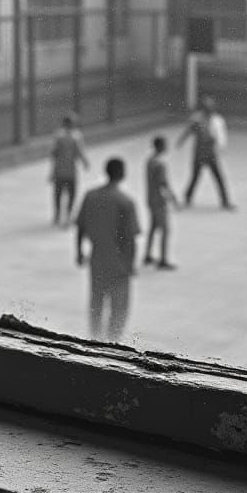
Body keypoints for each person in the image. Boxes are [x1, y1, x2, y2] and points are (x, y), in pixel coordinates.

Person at [75, 157, 141, 342]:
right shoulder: (125, 202)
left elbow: (80, 226)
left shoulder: (91, 196)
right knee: (119, 307)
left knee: (97, 301)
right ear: (122, 174)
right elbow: (130, 238)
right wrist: (131, 265)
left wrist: (79, 251)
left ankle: (94, 338)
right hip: (119, 263)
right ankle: (113, 341)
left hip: (97, 259)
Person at [176, 94, 236, 209]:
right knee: (199, 177)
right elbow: (189, 131)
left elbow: (190, 132)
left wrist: (181, 141)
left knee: (212, 177)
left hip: (206, 153)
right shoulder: (198, 120)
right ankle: (188, 198)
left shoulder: (209, 119)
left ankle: (224, 201)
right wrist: (181, 141)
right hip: (202, 153)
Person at [144, 135, 179, 269]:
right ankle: (163, 259)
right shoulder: (160, 164)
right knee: (165, 230)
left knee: (153, 227)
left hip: (150, 198)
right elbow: (164, 183)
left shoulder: (149, 160)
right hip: (159, 200)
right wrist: (173, 198)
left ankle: (147, 254)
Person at [49, 111, 90, 226]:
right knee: (71, 194)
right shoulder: (76, 137)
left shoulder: (58, 136)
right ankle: (67, 215)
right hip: (71, 171)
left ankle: (57, 215)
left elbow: (53, 154)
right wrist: (85, 163)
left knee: (58, 194)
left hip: (59, 170)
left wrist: (52, 172)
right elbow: (80, 152)